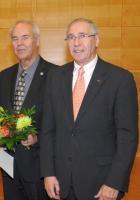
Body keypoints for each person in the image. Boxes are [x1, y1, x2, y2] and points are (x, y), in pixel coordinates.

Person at [40, 18, 139, 200]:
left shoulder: (120, 79)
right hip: (61, 184)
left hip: (101, 186)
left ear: (97, 39)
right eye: (71, 37)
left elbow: (128, 137)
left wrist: (114, 183)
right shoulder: (55, 77)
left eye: (83, 36)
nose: (76, 43)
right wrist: (48, 173)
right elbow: (47, 130)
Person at [0, 19, 57, 200]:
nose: (19, 43)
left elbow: (62, 122)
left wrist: (37, 137)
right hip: (8, 166)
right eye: (15, 39)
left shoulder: (55, 75)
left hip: (39, 168)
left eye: (25, 37)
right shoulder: (5, 76)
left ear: (37, 40)